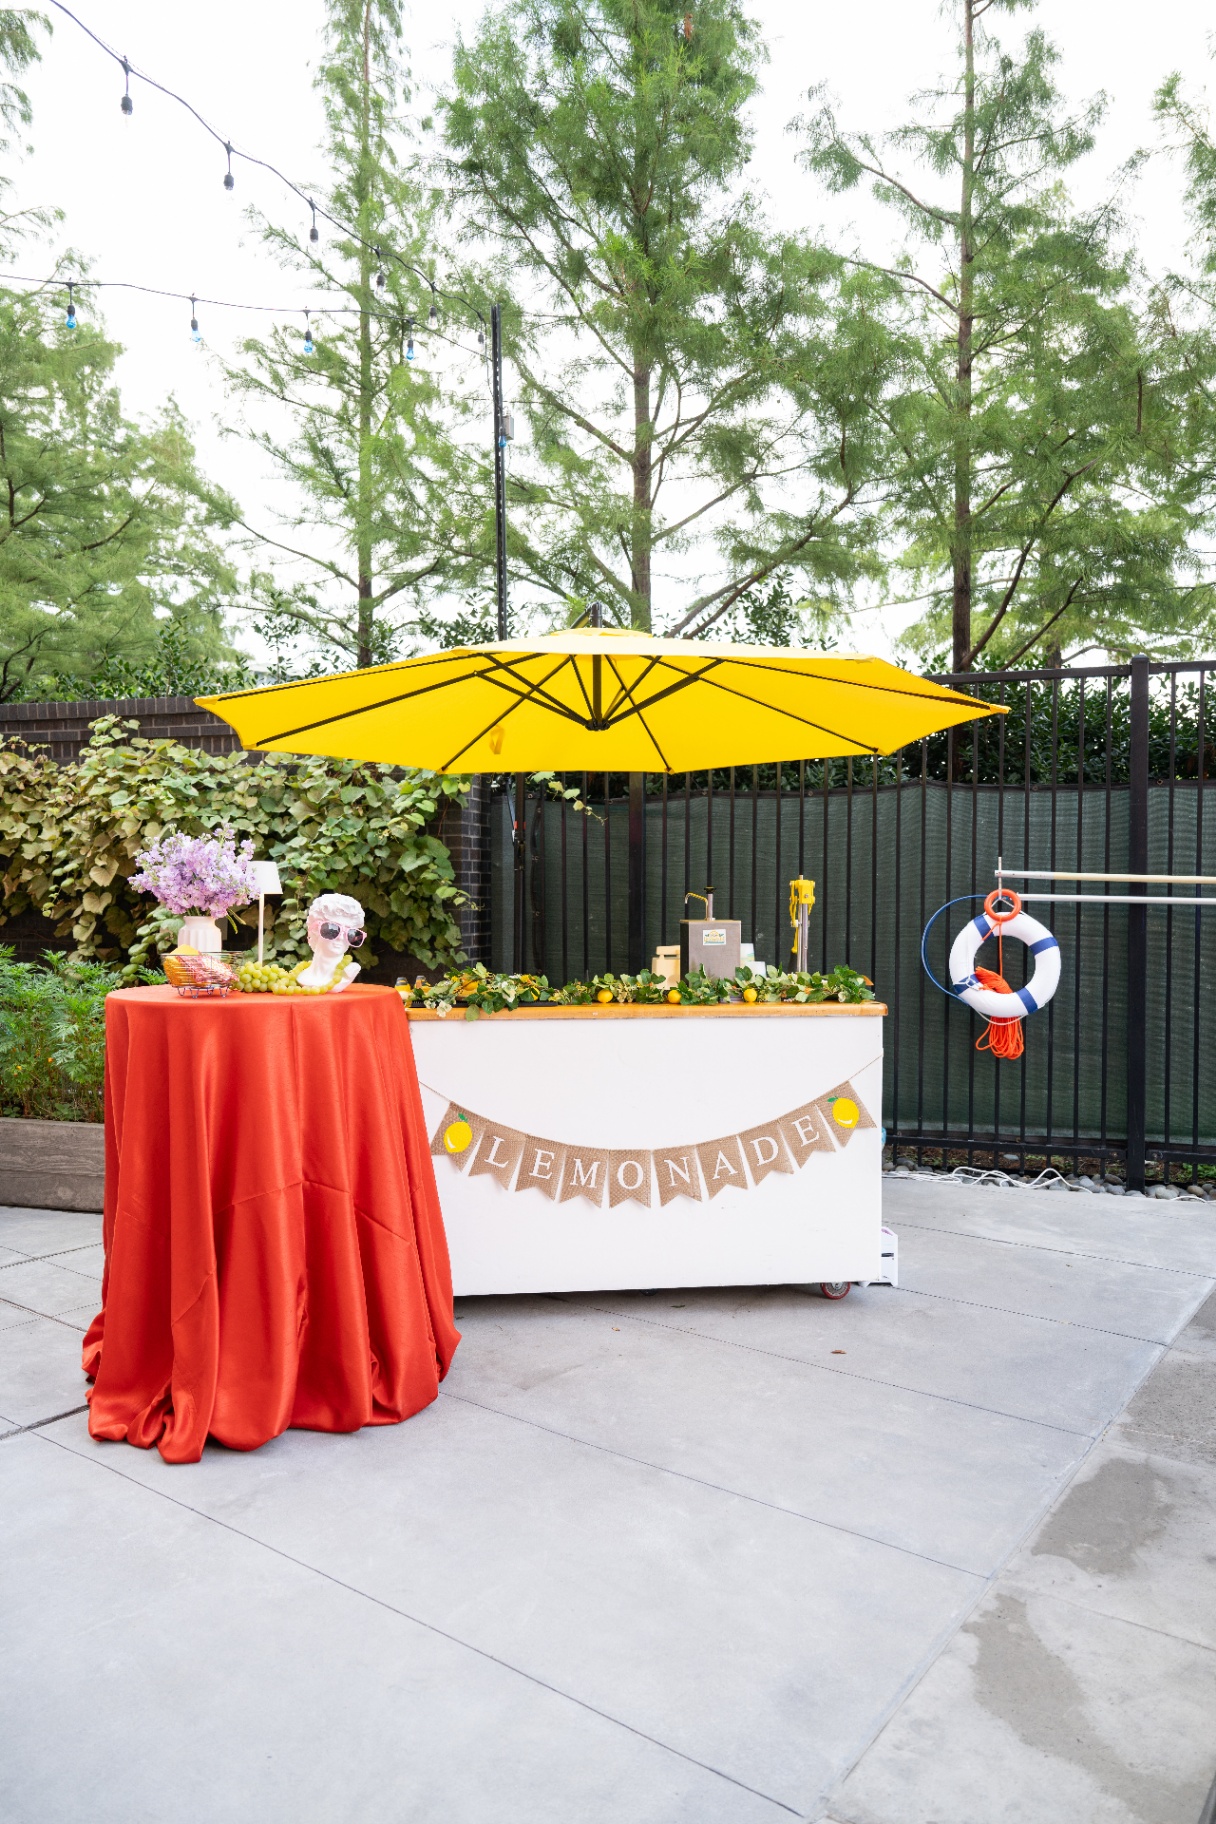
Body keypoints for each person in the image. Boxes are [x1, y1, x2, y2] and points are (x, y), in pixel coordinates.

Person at [298, 892, 366, 991]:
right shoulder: (301, 975)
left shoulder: (348, 972)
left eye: (350, 932)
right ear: (316, 929)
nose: (341, 938)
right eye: (332, 929)